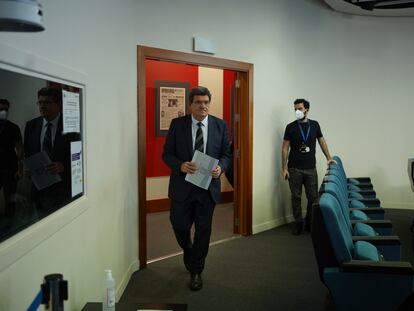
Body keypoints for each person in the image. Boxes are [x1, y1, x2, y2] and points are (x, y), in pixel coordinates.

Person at [162, 86, 231, 291]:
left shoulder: (220, 125)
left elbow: (226, 154)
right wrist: (180, 165)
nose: (203, 106)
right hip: (182, 188)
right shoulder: (177, 125)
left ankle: (196, 271)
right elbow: (166, 155)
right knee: (179, 226)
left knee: (203, 231)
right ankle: (188, 250)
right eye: (199, 102)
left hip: (207, 189)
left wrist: (221, 168)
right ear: (190, 104)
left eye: (206, 102)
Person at [281, 98, 335, 235]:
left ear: (307, 109)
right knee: (296, 197)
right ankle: (298, 223)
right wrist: (284, 168)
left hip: (311, 168)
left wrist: (329, 157)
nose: (297, 111)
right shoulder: (290, 127)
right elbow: (285, 148)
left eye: (299, 108)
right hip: (294, 168)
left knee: (313, 198)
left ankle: (310, 222)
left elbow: (322, 142)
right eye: (295, 109)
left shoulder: (315, 125)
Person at [24, 87, 78, 214]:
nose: (42, 106)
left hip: (63, 188)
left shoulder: (72, 125)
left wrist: (64, 166)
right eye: (40, 102)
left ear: (58, 104)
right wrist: (26, 168)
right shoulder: (31, 125)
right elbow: (28, 152)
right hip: (39, 187)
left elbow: (82, 156)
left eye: (47, 102)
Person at [0, 99, 23, 218]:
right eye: (0, 109)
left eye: (5, 110)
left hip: (10, 166)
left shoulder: (13, 127)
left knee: (10, 197)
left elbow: (19, 148)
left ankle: (10, 223)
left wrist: (20, 168)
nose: (3, 112)